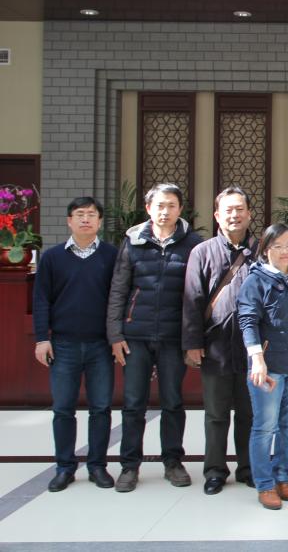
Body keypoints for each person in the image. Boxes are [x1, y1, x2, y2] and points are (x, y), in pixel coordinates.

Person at [106, 183, 202, 493]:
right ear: (148, 208)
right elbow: (118, 289)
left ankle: (173, 462)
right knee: (134, 403)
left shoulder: (193, 244)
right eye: (159, 205)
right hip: (135, 335)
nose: (165, 211)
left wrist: (193, 339)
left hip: (174, 337)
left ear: (180, 209)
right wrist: (115, 334)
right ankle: (129, 465)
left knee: (173, 401)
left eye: (171, 205)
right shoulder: (133, 241)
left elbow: (198, 295)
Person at [33, 197, 118, 492]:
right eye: (79, 214)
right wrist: (42, 338)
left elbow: (119, 299)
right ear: (69, 221)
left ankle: (97, 466)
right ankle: (65, 467)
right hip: (63, 345)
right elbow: (41, 299)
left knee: (101, 408)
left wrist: (117, 338)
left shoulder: (111, 256)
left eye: (91, 214)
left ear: (99, 221)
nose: (85, 219)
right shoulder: (52, 257)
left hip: (101, 345)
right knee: (63, 409)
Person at [182, 187, 258, 495]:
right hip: (215, 347)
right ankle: (214, 470)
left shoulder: (261, 251)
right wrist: (192, 343)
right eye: (228, 210)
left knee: (249, 413)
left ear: (249, 214)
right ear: (217, 215)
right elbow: (192, 300)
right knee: (216, 414)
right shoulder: (202, 252)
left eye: (240, 209)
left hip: (252, 349)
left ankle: (248, 468)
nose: (234, 215)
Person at [238, 223, 288, 510]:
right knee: (265, 426)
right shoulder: (255, 280)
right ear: (266, 249)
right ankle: (265, 484)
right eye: (278, 246)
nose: (284, 251)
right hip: (268, 366)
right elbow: (247, 320)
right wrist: (257, 358)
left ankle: (282, 477)